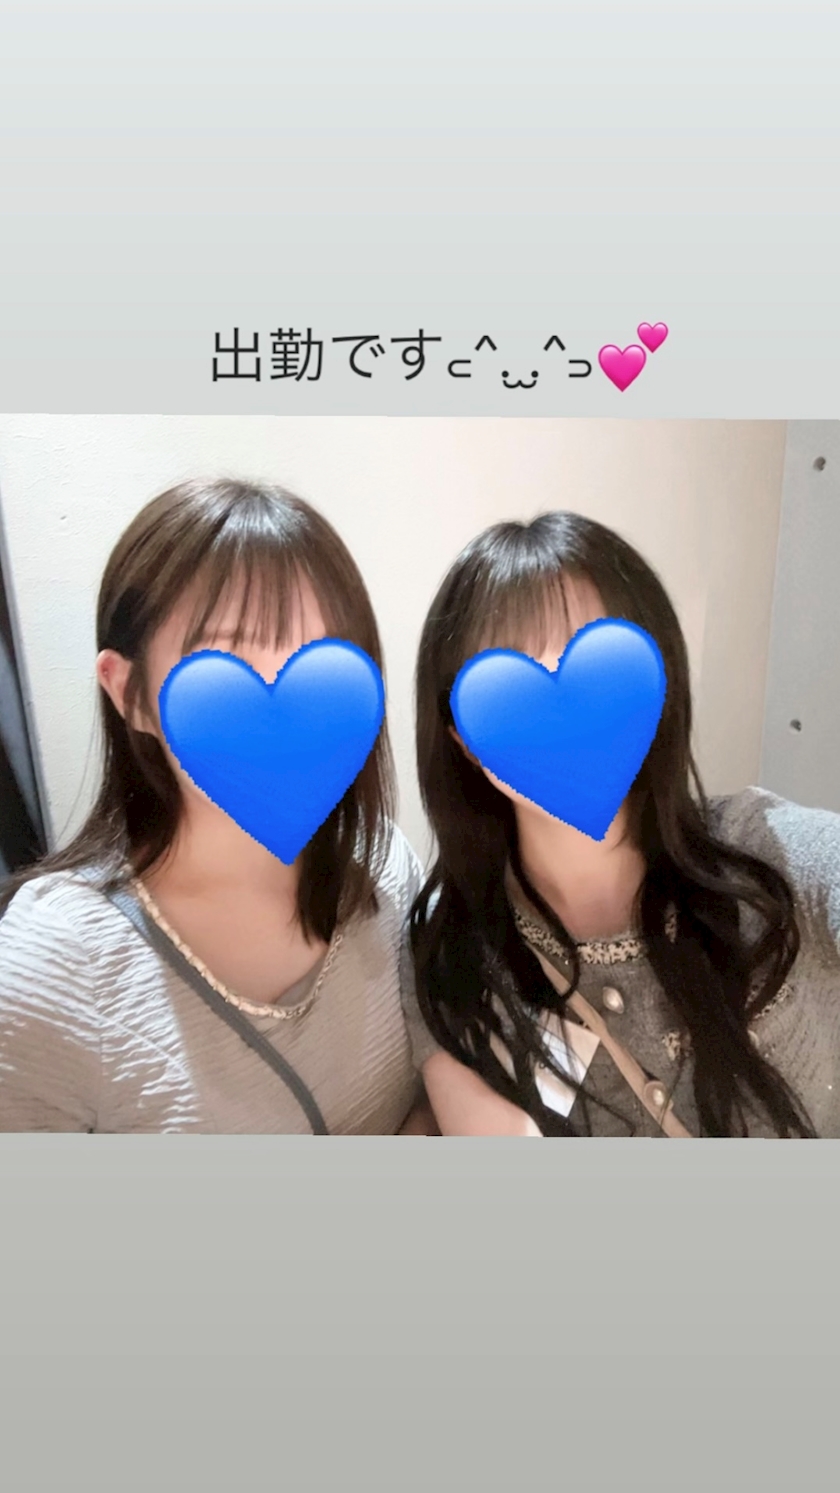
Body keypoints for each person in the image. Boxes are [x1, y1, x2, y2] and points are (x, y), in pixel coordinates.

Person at [0, 478, 427, 1135]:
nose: (284, 703)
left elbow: (437, 1082)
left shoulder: (385, 867)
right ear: (130, 692)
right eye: (227, 658)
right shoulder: (51, 967)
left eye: (321, 660)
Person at [405, 510, 840, 1138]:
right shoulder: (453, 952)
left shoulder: (768, 856)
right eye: (508, 688)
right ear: (463, 740)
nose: (564, 713)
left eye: (603, 667)